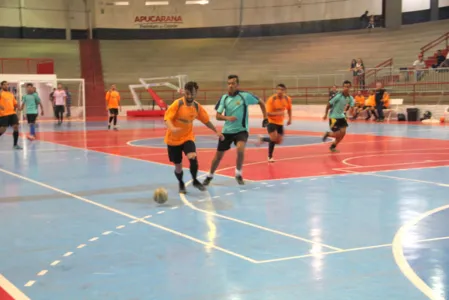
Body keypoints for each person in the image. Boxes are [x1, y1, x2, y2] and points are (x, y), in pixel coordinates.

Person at [203, 75, 268, 186]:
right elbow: (218, 116)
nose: (230, 85)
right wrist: (227, 118)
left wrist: (265, 117)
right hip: (227, 131)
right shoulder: (224, 98)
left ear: (237, 85)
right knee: (218, 156)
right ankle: (210, 176)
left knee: (240, 149)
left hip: (241, 130)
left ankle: (238, 174)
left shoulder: (245, 96)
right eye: (229, 83)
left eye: (233, 83)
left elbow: (261, 102)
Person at [164, 81, 223, 194]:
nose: (190, 96)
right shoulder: (178, 104)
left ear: (196, 93)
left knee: (193, 158)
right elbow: (167, 119)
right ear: (184, 92)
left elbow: (206, 121)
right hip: (173, 140)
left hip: (187, 137)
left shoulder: (196, 106)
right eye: (187, 94)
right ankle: (181, 183)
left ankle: (195, 180)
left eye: (192, 94)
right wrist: (173, 128)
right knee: (178, 166)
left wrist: (216, 131)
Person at [257, 83, 292, 162]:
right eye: (278, 90)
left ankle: (262, 139)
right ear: (276, 90)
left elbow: (289, 109)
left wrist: (290, 119)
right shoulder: (271, 99)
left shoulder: (287, 99)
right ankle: (270, 157)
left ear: (285, 91)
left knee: (278, 141)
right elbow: (267, 113)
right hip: (271, 121)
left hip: (280, 123)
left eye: (282, 90)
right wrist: (278, 113)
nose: (280, 91)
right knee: (273, 138)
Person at [322, 80, 355, 153]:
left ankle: (333, 147)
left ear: (350, 88)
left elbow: (352, 106)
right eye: (345, 87)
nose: (346, 88)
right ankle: (328, 134)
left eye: (348, 87)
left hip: (342, 117)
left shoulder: (350, 98)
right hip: (333, 117)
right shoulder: (338, 96)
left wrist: (352, 113)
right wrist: (325, 114)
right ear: (343, 87)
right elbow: (329, 104)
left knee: (343, 134)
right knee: (337, 134)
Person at [0, 81, 22, 149]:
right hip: (4, 114)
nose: (6, 86)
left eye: (7, 85)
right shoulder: (1, 93)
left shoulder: (11, 94)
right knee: (3, 129)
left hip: (12, 113)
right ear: (1, 86)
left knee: (16, 127)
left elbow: (14, 103)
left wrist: (18, 107)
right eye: (4, 85)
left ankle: (15, 145)